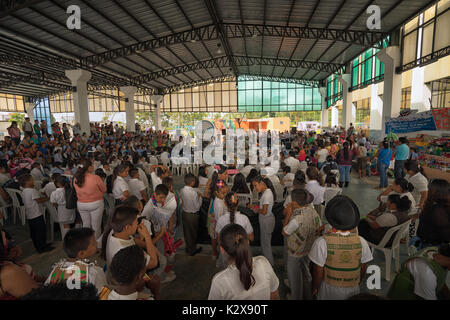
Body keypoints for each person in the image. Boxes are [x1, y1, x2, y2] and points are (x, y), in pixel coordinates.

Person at [309, 195, 373, 300]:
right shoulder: (361, 242)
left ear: (331, 219)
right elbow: (362, 268)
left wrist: (315, 287)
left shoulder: (322, 242)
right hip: (353, 289)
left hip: (328, 289)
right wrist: (356, 283)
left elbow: (318, 271)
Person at [208, 224, 279, 300]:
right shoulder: (263, 263)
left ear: (222, 249)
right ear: (247, 242)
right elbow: (274, 295)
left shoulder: (219, 282)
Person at [101, 206, 160, 298]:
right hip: (128, 286)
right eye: (136, 222)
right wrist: (147, 236)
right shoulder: (126, 250)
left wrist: (148, 245)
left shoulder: (115, 231)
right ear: (128, 227)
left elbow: (133, 240)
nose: (138, 224)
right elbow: (153, 262)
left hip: (117, 278)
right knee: (160, 264)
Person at [282, 189, 321, 300]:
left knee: (294, 277)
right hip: (308, 249)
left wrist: (288, 214)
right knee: (305, 272)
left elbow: (284, 232)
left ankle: (296, 296)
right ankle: (308, 295)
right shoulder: (313, 211)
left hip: (295, 252)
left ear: (294, 203)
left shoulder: (296, 218)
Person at [45, 228, 106, 293]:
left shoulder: (55, 270)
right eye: (93, 243)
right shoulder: (94, 272)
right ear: (81, 254)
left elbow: (46, 290)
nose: (97, 243)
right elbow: (104, 294)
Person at [215, 193, 254, 269]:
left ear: (225, 204)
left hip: (226, 252)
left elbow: (219, 240)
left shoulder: (221, 219)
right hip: (241, 251)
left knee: (227, 271)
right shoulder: (244, 218)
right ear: (238, 203)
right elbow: (251, 237)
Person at [19, 174, 54, 253]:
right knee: (41, 231)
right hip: (36, 214)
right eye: (32, 179)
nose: (33, 181)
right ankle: (42, 247)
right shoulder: (32, 190)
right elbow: (39, 200)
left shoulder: (23, 191)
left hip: (30, 215)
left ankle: (39, 245)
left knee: (34, 232)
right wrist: (48, 198)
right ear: (27, 182)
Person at [74, 159, 107, 240]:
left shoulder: (76, 178)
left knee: (85, 225)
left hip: (81, 204)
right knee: (96, 226)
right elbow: (104, 189)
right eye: (92, 165)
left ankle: (86, 242)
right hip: (95, 203)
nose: (93, 167)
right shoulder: (95, 177)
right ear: (89, 167)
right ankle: (96, 245)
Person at [415, 179, 450, 248]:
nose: (427, 191)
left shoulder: (437, 211)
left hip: (433, 246)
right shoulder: (438, 205)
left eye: (429, 189)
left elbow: (446, 236)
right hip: (428, 241)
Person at [250, 175, 276, 266]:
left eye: (255, 185)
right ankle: (268, 263)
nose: (255, 188)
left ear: (261, 183)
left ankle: (269, 264)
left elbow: (264, 211)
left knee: (266, 245)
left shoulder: (267, 194)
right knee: (265, 242)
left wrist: (254, 208)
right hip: (265, 220)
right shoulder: (266, 193)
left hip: (266, 220)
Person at [180, 173, 203, 256]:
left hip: (184, 213)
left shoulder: (182, 190)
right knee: (193, 233)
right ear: (192, 182)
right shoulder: (194, 192)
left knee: (186, 232)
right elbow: (197, 207)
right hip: (192, 215)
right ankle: (192, 250)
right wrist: (200, 197)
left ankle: (188, 247)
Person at [50, 176, 76, 240]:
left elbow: (54, 204)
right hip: (71, 209)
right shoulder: (71, 190)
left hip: (62, 210)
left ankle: (66, 240)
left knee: (65, 225)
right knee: (68, 224)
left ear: (58, 184)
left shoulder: (54, 193)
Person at [209, 180, 229, 260]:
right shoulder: (219, 204)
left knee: (215, 239)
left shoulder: (221, 199)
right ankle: (215, 253)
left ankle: (216, 253)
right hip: (217, 225)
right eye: (223, 193)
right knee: (216, 239)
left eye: (227, 192)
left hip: (219, 223)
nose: (226, 195)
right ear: (216, 192)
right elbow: (219, 219)